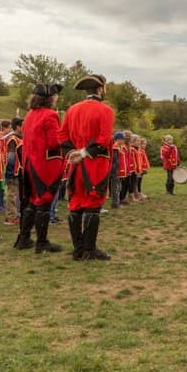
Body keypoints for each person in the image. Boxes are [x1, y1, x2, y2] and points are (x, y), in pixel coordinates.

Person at [59, 74, 115, 261]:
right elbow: (104, 139)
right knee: (93, 205)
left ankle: (78, 249)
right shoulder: (106, 110)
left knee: (75, 205)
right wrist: (83, 153)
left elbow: (63, 136)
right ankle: (89, 249)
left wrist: (72, 154)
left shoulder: (72, 110)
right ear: (100, 89)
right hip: (95, 164)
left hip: (75, 165)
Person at [17, 83, 65, 253]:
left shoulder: (30, 114)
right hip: (44, 165)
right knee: (44, 202)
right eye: (55, 95)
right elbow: (53, 142)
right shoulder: (51, 115)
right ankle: (42, 241)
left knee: (32, 201)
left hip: (29, 162)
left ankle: (24, 238)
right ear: (50, 98)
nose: (57, 98)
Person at [3, 117, 24, 226]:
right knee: (12, 194)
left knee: (18, 194)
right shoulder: (13, 139)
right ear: (18, 127)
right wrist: (11, 172)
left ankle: (16, 214)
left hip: (20, 171)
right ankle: (10, 216)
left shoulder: (22, 138)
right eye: (23, 125)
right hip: (13, 171)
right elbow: (11, 156)